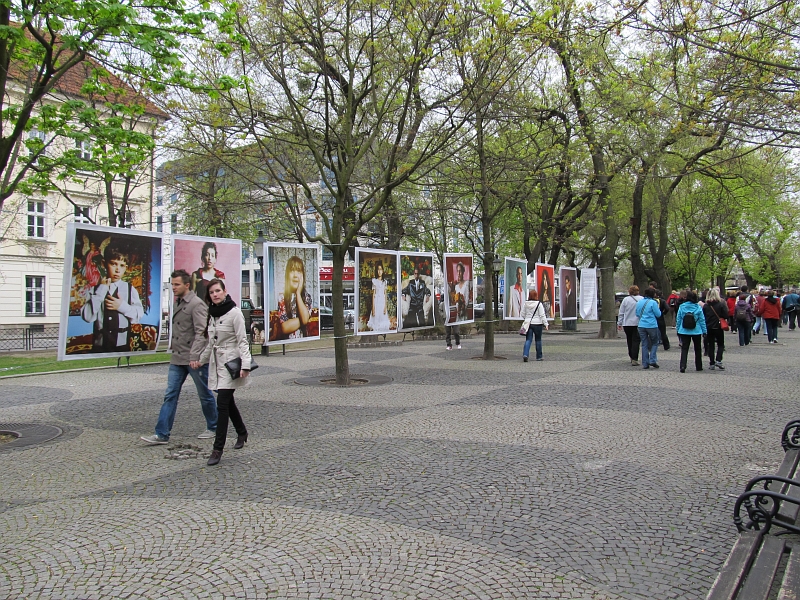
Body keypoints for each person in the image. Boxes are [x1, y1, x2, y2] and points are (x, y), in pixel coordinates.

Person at [140, 270, 218, 445]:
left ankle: (214, 427)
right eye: (172, 284)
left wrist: (195, 356)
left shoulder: (196, 304)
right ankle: (162, 433)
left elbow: (202, 333)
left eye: (177, 284)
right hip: (177, 358)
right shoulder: (178, 303)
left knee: (205, 394)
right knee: (170, 394)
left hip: (193, 359)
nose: (173, 288)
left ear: (187, 285)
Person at [200, 279, 251, 466]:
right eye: (211, 292)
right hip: (217, 364)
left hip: (231, 364)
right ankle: (242, 431)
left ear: (224, 291)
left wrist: (246, 365)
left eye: (217, 291)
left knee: (222, 404)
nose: (215, 294)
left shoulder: (235, 313)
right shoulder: (212, 313)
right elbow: (211, 342)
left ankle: (217, 449)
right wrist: (201, 360)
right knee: (227, 402)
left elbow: (242, 340)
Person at [81, 243, 144, 352]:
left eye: (122, 265)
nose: (117, 270)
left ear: (126, 268)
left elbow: (137, 316)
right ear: (104, 264)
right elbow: (87, 317)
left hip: (122, 346)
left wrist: (122, 306)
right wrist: (101, 291)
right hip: (100, 346)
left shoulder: (130, 289)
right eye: (113, 264)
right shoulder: (95, 290)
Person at [274, 255, 312, 339]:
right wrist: (303, 319)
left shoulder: (307, 297)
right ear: (287, 275)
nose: (295, 275)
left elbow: (305, 319)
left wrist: (298, 293)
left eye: (298, 271)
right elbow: (285, 328)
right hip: (287, 342)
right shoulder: (282, 297)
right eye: (292, 270)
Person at [676, 290, 707, 372]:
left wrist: (678, 329)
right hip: (696, 330)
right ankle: (698, 366)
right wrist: (704, 331)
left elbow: (678, 319)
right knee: (697, 348)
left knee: (684, 349)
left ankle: (682, 366)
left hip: (684, 330)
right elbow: (702, 320)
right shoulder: (698, 307)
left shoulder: (682, 307)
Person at [702, 288, 728, 370]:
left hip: (709, 327)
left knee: (711, 345)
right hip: (718, 326)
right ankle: (718, 360)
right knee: (720, 344)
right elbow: (726, 315)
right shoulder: (721, 304)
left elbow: (703, 317)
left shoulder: (706, 306)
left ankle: (712, 363)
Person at [636, 288, 662, 369]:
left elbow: (637, 313)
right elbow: (658, 314)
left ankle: (645, 363)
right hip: (651, 325)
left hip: (641, 325)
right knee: (655, 342)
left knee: (644, 344)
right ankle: (652, 359)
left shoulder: (639, 302)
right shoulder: (653, 302)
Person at [617, 285, 643, 366]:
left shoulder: (626, 300)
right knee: (636, 340)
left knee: (629, 339)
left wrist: (619, 323)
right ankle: (635, 358)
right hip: (638, 323)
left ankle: (631, 355)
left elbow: (621, 312)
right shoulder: (642, 299)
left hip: (627, 323)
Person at [521, 289, 549, 361]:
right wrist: (546, 324)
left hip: (529, 324)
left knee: (528, 340)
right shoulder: (539, 304)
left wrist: (527, 319)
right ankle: (539, 357)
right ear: (536, 296)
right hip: (538, 324)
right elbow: (542, 315)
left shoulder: (526, 304)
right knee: (538, 340)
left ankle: (525, 354)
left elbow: (522, 314)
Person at [367, 262, 391, 331]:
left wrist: (385, 307)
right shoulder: (374, 281)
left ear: (382, 271)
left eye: (380, 269)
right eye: (378, 269)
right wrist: (373, 308)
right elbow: (373, 295)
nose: (379, 271)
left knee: (382, 319)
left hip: (382, 302)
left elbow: (385, 294)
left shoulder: (384, 282)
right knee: (376, 319)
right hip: (376, 302)